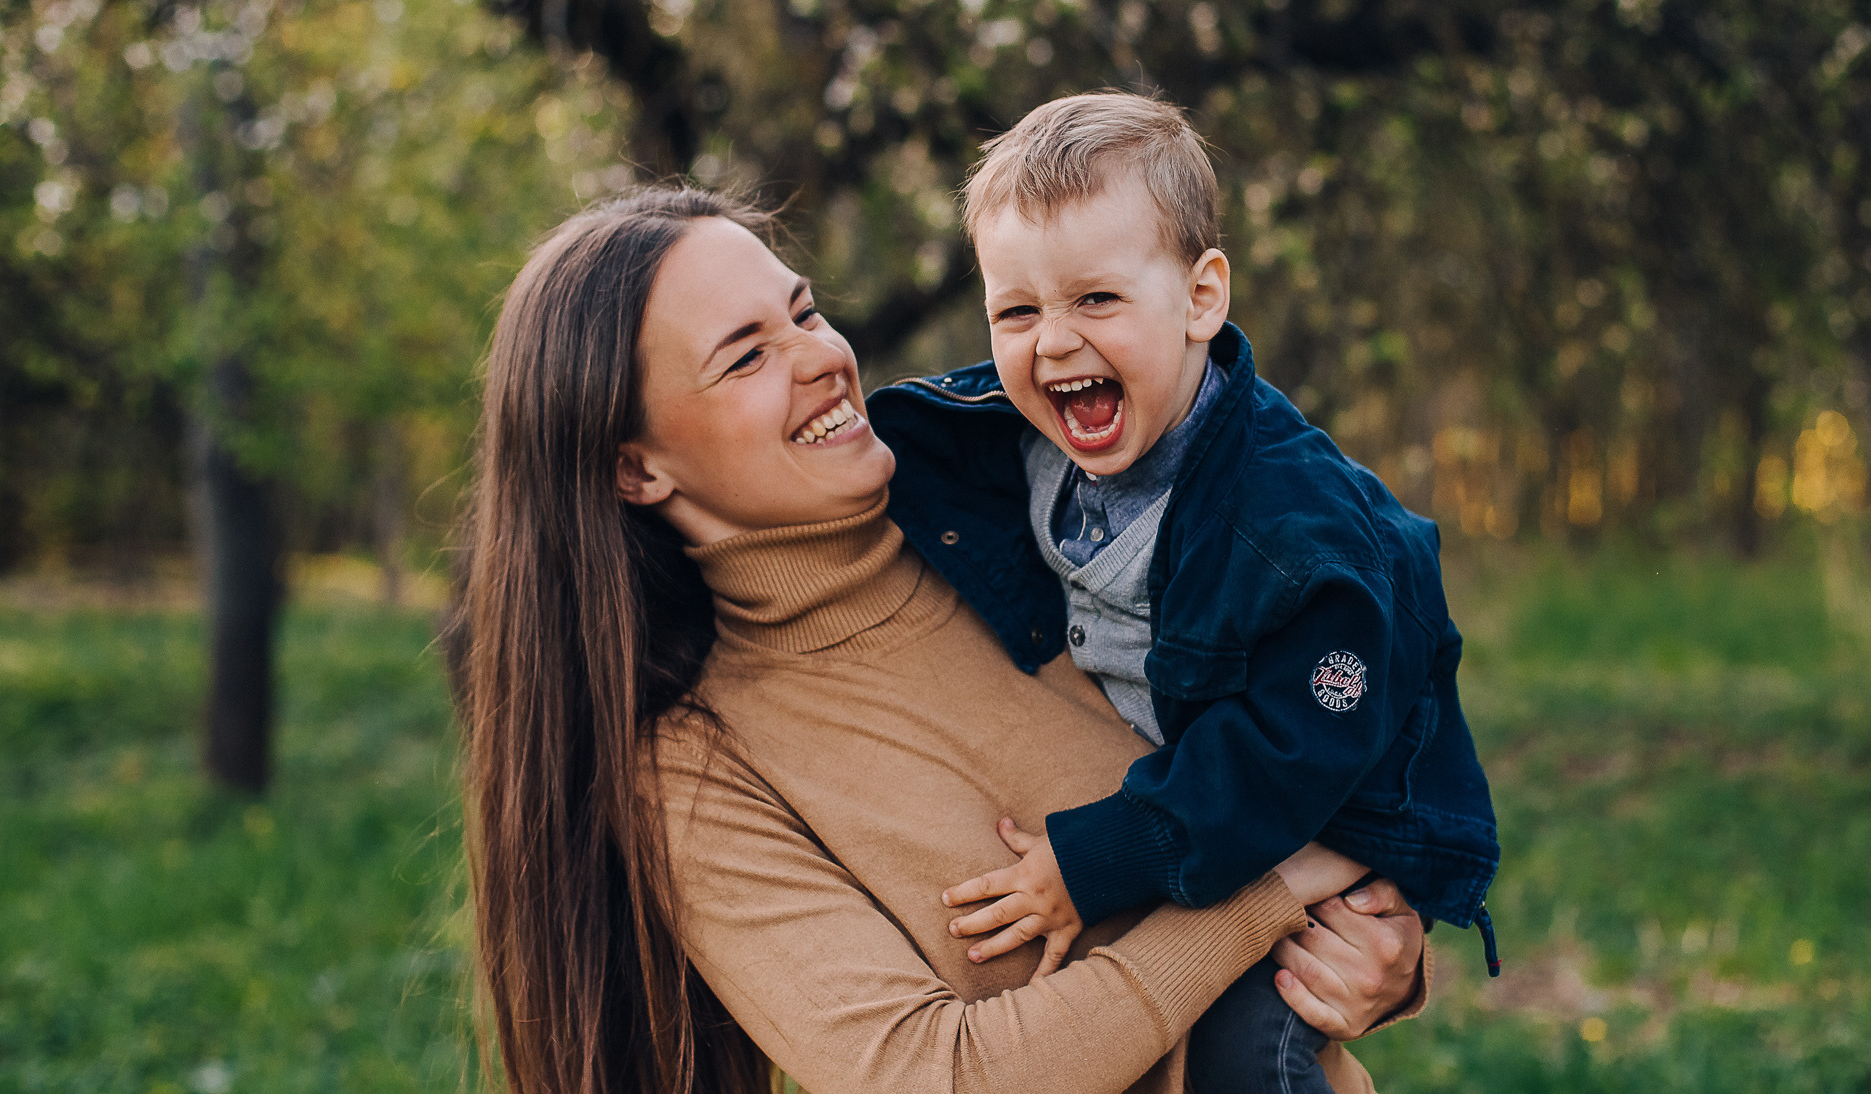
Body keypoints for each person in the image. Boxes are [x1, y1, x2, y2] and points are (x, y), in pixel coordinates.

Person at [451, 186, 1430, 1094]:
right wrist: (1269, 891)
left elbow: (1311, 743)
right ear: (636, 467)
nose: (819, 355)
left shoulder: (1037, 518)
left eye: (801, 311)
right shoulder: (695, 766)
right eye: (745, 355)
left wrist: (1379, 944)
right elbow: (935, 1074)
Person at [866, 93, 1500, 1094]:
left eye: (1096, 300)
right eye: (1016, 310)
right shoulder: (1024, 447)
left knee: (1252, 1055)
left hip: (1315, 824)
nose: (1054, 340)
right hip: (1192, 818)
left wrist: (1097, 854)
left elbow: (1290, 752)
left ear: (1202, 297)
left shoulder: (1294, 530)